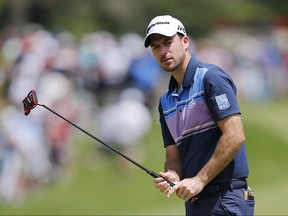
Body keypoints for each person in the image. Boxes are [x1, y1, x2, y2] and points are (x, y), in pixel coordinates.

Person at [143, 15, 255, 215]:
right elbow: (173, 155)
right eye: (155, 47)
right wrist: (173, 174)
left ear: (185, 42)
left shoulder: (210, 79)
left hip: (226, 199)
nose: (163, 51)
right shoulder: (165, 102)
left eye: (168, 42)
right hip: (195, 203)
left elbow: (235, 136)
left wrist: (199, 180)